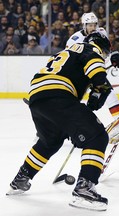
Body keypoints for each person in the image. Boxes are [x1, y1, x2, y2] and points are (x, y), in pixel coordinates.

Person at [6, 31, 112, 211]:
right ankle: (84, 189)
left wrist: (94, 93)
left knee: (50, 141)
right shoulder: (91, 49)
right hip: (59, 95)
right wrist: (101, 88)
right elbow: (98, 74)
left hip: (37, 96)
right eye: (106, 53)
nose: (105, 57)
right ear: (101, 47)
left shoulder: (68, 51)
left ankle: (21, 179)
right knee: (97, 136)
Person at [66, 12, 119, 119]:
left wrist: (113, 57)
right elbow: (68, 60)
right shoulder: (74, 39)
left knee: (110, 94)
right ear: (84, 25)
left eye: (94, 24)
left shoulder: (101, 32)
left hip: (93, 70)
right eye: (90, 25)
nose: (93, 28)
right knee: (72, 100)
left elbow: (105, 52)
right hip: (79, 74)